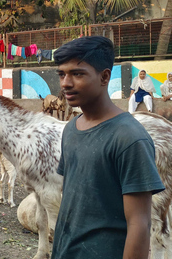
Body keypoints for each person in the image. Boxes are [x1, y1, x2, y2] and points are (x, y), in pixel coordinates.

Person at [52, 36, 164, 259]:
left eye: (77, 73)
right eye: (62, 74)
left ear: (104, 77)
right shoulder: (71, 129)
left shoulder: (129, 138)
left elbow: (139, 223)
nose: (66, 83)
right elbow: (72, 200)